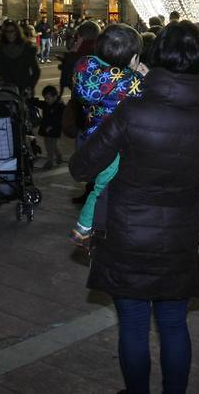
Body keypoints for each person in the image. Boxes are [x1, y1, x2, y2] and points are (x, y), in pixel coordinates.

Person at [68, 21, 199, 394]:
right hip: (182, 233)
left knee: (134, 326)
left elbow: (80, 167)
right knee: (173, 324)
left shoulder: (132, 111)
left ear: (153, 57)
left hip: (127, 234)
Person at [69, 23, 146, 246]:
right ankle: (82, 229)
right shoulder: (129, 80)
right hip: (115, 143)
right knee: (103, 187)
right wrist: (144, 75)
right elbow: (151, 96)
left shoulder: (85, 67)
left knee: (99, 183)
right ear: (133, 58)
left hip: (93, 136)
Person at [0, 20, 40, 97]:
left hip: (23, 88)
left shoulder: (27, 47)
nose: (9, 34)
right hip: (6, 88)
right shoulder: (1, 48)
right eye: (7, 32)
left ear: (17, 32)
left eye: (12, 31)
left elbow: (36, 70)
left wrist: (30, 86)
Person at [36, 85, 65, 169]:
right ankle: (59, 155)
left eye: (48, 98)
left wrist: (51, 126)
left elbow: (58, 119)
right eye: (45, 98)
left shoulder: (60, 106)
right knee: (50, 145)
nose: (46, 100)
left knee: (50, 146)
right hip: (46, 128)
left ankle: (50, 162)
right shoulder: (46, 104)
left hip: (54, 129)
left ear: (55, 97)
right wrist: (29, 99)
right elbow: (39, 103)